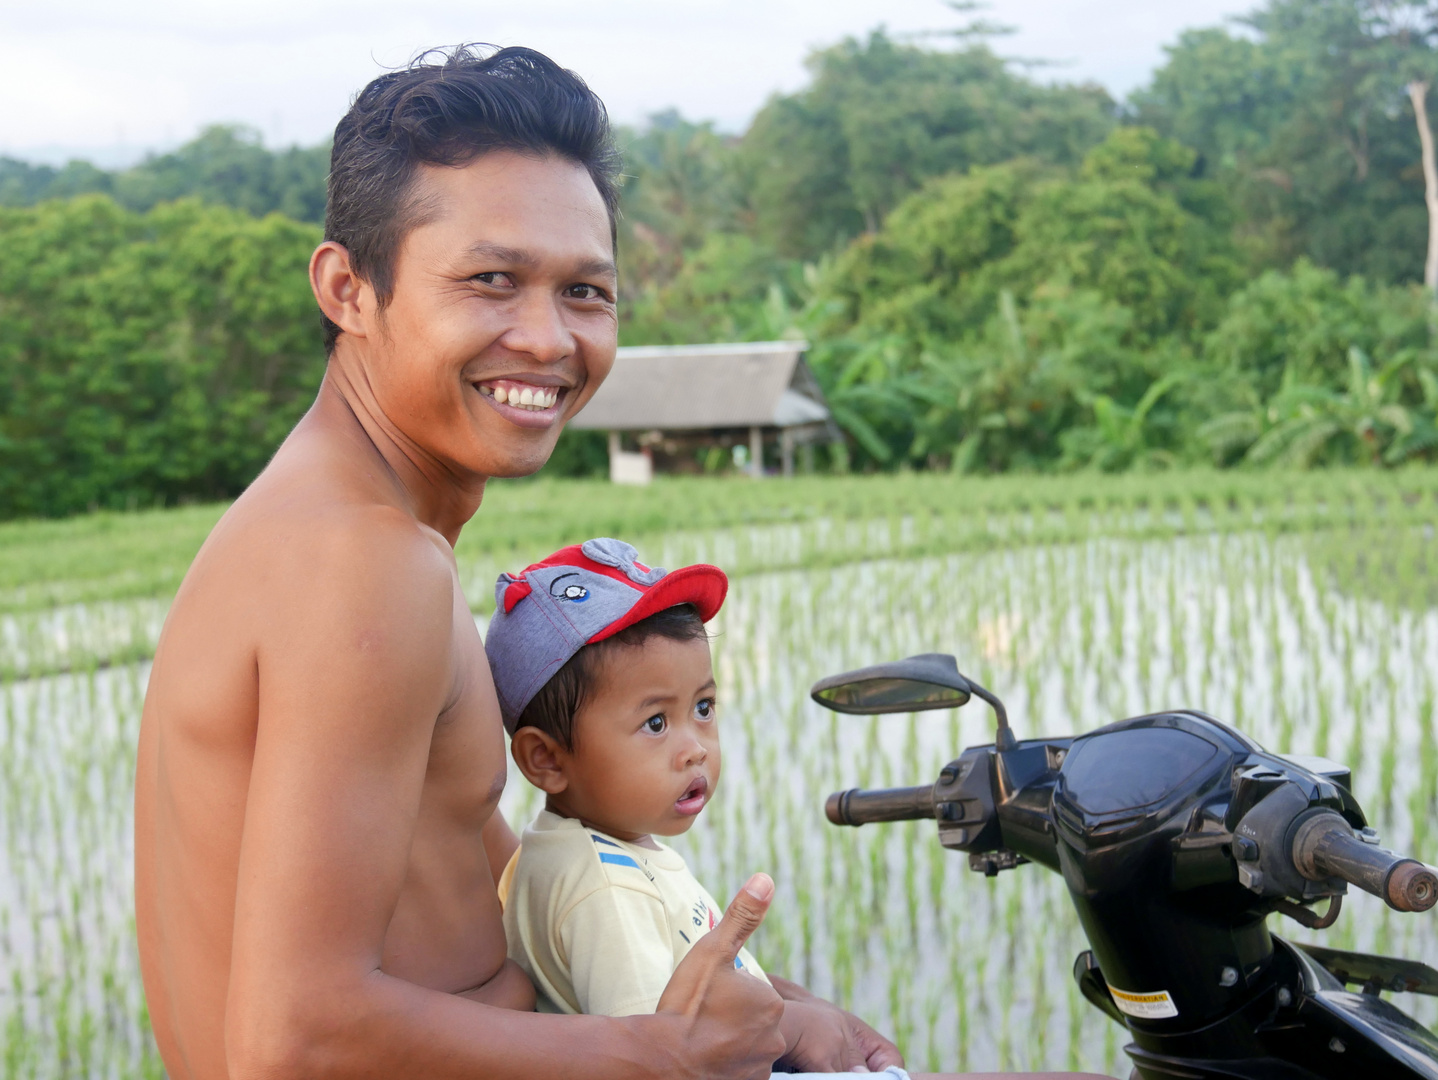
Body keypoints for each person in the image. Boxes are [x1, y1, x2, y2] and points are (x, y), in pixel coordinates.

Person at [132, 42, 1111, 1080]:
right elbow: (295, 1038)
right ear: (348, 288)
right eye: (490, 281)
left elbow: (495, 885)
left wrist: (770, 1009)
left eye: (586, 292)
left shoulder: (340, 530)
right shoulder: (362, 564)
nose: (549, 340)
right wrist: (654, 1054)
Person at [489, 538, 901, 1073]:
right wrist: (794, 1027)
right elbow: (660, 1050)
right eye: (655, 722)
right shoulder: (603, 886)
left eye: (703, 707)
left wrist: (792, 1001)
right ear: (546, 758)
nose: (696, 747)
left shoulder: (587, 848)